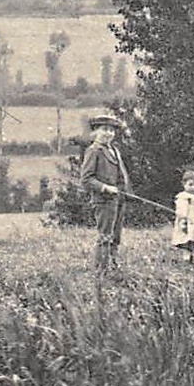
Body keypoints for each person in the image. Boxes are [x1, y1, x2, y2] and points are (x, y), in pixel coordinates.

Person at [78, 113, 130, 272]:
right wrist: (105, 188)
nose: (109, 133)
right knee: (105, 236)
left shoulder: (114, 150)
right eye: (105, 129)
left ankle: (113, 266)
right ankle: (101, 270)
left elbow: (122, 175)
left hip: (119, 199)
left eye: (112, 131)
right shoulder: (94, 151)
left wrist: (124, 191)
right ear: (96, 131)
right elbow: (86, 179)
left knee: (116, 236)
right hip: (104, 200)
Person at [172, 169, 194, 260]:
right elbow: (181, 211)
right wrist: (183, 221)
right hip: (186, 222)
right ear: (184, 184)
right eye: (190, 185)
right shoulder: (183, 197)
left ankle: (193, 256)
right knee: (186, 239)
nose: (193, 187)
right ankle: (186, 257)